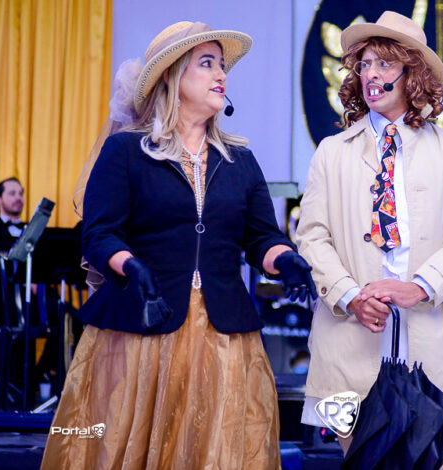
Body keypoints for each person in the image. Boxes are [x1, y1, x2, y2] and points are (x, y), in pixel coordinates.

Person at [41, 21, 316, 469]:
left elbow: (261, 237)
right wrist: (131, 266)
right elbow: (100, 233)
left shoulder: (240, 160)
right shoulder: (126, 151)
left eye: (222, 65)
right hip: (140, 332)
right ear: (171, 75)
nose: (221, 74)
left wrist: (284, 259)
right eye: (207, 63)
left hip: (224, 335)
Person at [296, 11, 443, 462]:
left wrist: (421, 286)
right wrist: (350, 297)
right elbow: (312, 238)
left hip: (435, 340)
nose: (370, 74)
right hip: (351, 338)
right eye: (364, 64)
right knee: (359, 460)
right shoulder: (330, 153)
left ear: (413, 73)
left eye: (384, 63)